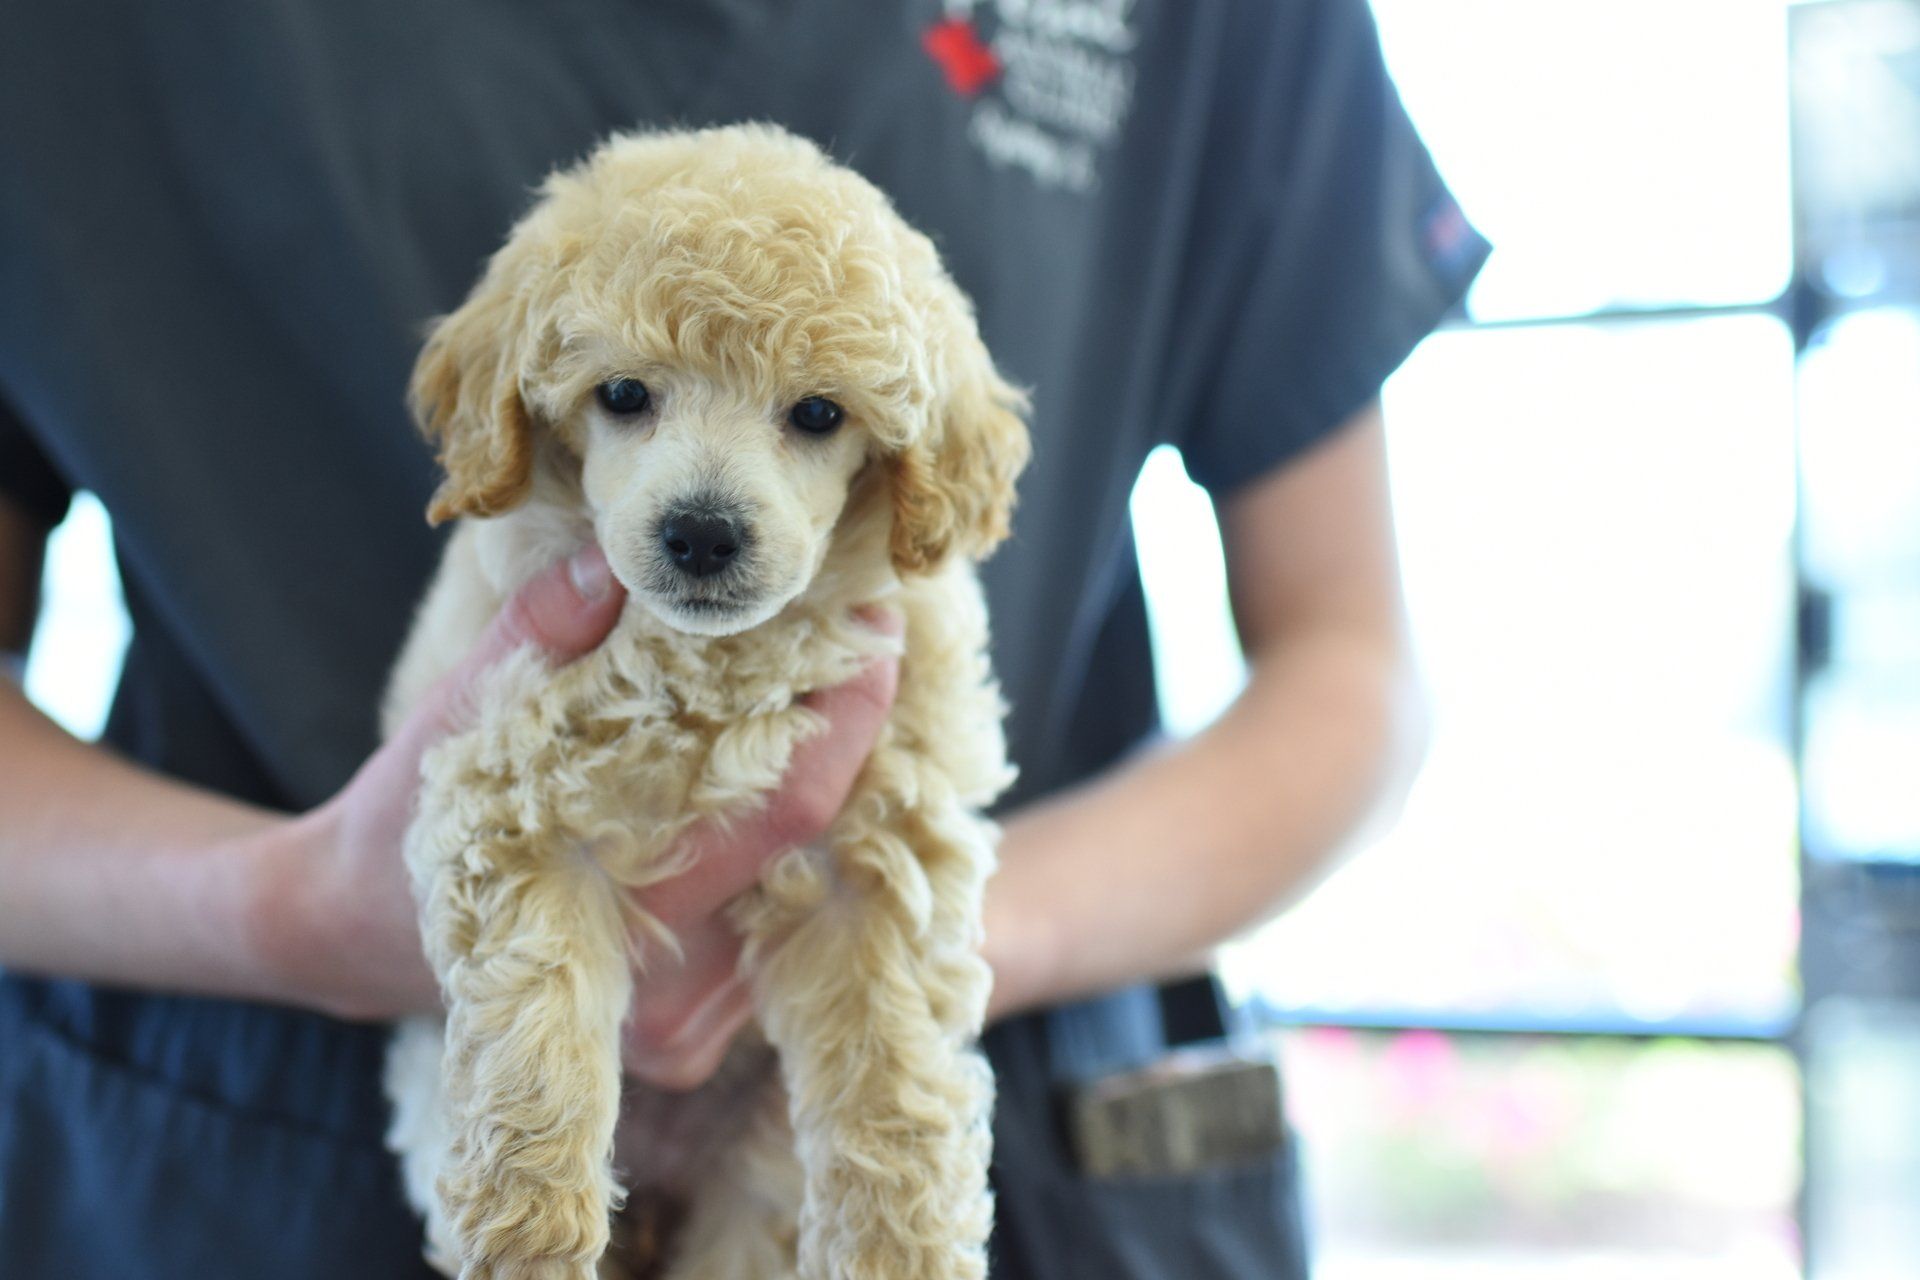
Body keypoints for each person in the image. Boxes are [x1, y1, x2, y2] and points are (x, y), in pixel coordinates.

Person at [0, 2, 1486, 1276]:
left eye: (817, 419)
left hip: (1028, 1117)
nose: (708, 508)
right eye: (627, 401)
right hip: (247, 1139)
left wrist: (910, 935)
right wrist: (301, 917)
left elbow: (1351, 671)